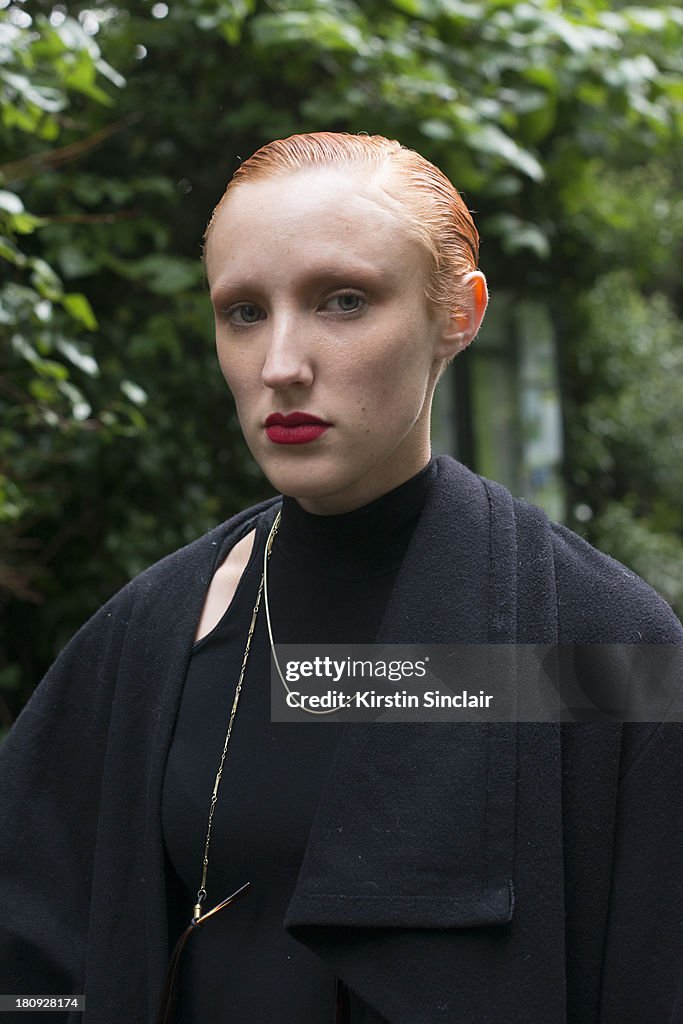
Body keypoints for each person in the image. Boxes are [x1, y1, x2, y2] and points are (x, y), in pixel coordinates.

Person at [0, 132, 681, 1024]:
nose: (280, 364)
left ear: (458, 315)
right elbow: (35, 958)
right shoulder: (152, 634)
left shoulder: (603, 649)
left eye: (343, 301)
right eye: (243, 311)